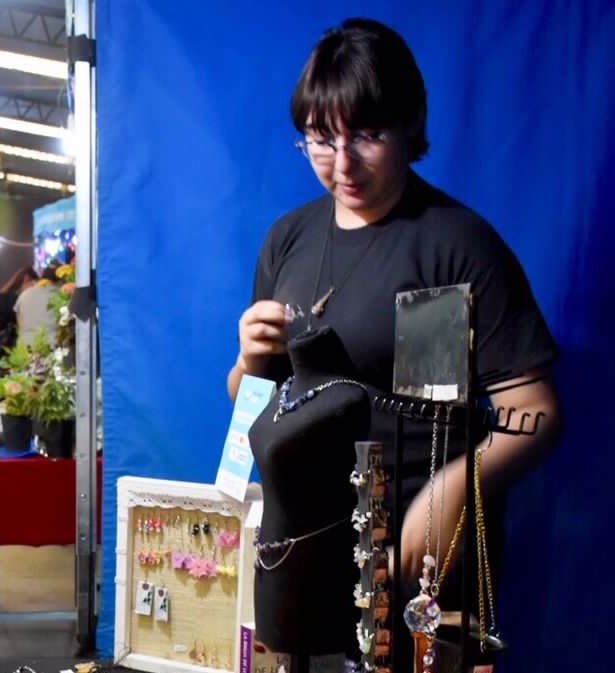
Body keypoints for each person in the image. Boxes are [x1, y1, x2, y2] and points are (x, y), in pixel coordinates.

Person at [228, 18, 562, 590]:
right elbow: (255, 410)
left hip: (418, 550)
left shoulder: (452, 246)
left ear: (411, 122)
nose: (342, 163)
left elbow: (535, 412)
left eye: (365, 136)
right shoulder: (289, 241)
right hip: (305, 542)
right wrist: (249, 364)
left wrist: (455, 487)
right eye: (320, 139)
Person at [0, 266, 37, 350]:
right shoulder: (14, 299)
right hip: (14, 344)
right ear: (26, 281)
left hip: (3, 343)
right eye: (33, 284)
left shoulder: (4, 296)